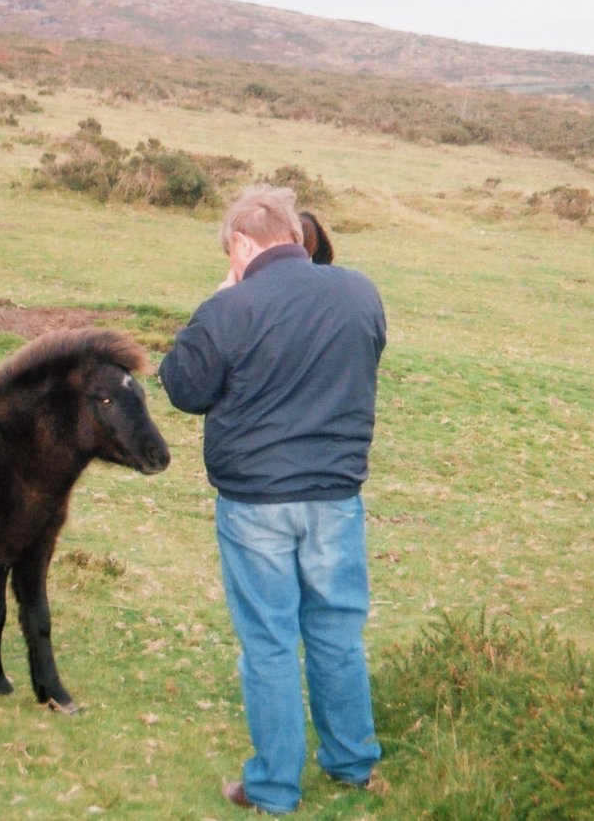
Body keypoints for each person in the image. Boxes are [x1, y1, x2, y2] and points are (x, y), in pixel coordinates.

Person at [159, 185, 385, 814]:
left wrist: (220, 299)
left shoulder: (230, 307)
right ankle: (352, 763)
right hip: (337, 495)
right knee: (338, 632)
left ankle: (275, 788)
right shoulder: (360, 290)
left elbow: (182, 387)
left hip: (255, 500)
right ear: (295, 233)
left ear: (241, 244)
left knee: (269, 642)